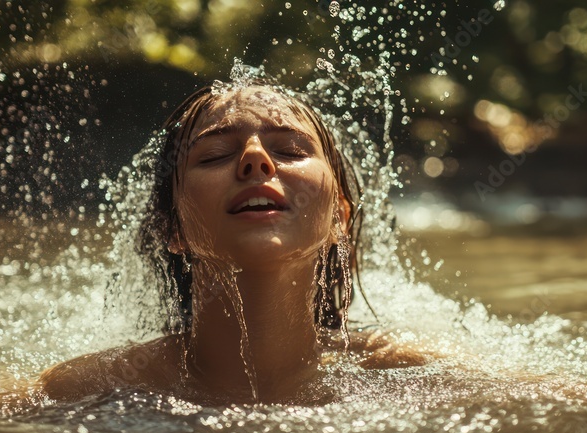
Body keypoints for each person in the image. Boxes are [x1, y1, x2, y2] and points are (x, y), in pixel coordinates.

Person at [40, 82, 430, 404]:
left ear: (338, 218)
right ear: (173, 228)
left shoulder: (414, 373)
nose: (255, 160)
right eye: (214, 156)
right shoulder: (86, 388)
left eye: (291, 151)